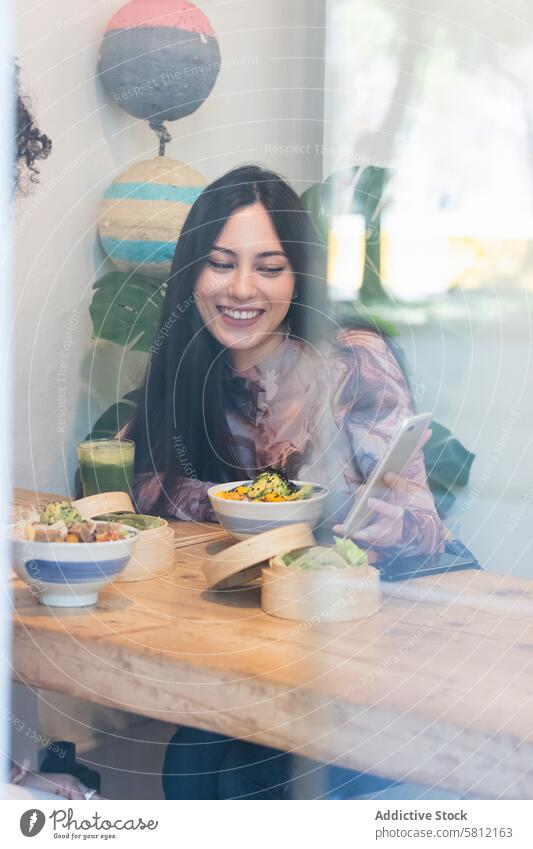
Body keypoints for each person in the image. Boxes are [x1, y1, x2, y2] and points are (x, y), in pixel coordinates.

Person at [124, 164, 446, 799]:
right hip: (264, 626)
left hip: (380, 610)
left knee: (255, 777)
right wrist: (247, 513)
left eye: (269, 267)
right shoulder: (188, 369)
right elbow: (145, 496)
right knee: (193, 763)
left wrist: (330, 490)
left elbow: (423, 534)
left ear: (297, 277)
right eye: (221, 263)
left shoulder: (352, 359)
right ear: (193, 273)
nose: (242, 288)